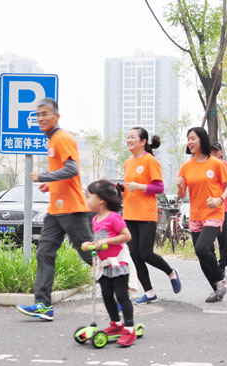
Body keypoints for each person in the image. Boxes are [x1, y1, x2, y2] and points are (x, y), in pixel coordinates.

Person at [17, 98, 93, 321]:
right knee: (44, 253)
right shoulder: (51, 140)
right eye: (38, 114)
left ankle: (121, 282)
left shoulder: (62, 138)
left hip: (72, 209)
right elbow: (64, 172)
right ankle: (43, 306)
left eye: (45, 114)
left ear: (56, 117)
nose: (40, 118)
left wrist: (44, 176)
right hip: (56, 209)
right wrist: (51, 184)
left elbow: (72, 169)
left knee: (89, 254)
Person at [122, 127, 181, 305]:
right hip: (129, 214)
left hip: (146, 214)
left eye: (132, 137)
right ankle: (149, 293)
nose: (129, 140)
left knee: (146, 253)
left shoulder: (150, 161)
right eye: (128, 137)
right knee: (134, 255)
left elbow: (159, 187)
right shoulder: (127, 162)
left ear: (143, 142)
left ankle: (171, 272)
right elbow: (128, 188)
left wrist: (140, 187)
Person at [177, 127, 227, 303]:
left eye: (193, 138)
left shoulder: (216, 163)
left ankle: (220, 279)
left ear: (202, 139)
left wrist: (220, 199)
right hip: (196, 214)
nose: (190, 142)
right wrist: (179, 186)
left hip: (214, 213)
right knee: (203, 254)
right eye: (188, 139)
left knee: (201, 247)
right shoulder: (186, 166)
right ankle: (217, 290)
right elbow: (181, 195)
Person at [81, 180, 137, 347]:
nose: (87, 201)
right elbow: (99, 240)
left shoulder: (113, 218)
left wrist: (108, 241)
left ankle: (129, 329)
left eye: (89, 197)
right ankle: (116, 324)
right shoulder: (95, 219)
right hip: (104, 264)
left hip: (118, 263)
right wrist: (90, 244)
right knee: (106, 295)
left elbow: (126, 236)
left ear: (101, 200)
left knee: (121, 296)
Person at [210, 142, 227, 278]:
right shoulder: (205, 166)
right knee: (207, 241)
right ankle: (213, 264)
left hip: (224, 208)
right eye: (211, 151)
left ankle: (222, 266)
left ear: (221, 152)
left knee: (224, 240)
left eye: (216, 151)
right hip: (208, 209)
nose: (213, 153)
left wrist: (225, 183)